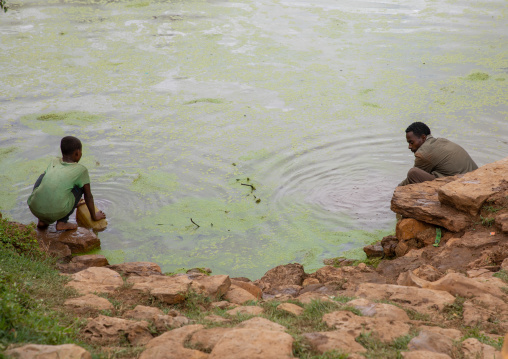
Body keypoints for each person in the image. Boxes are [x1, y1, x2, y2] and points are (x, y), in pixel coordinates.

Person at [28, 136, 106, 230]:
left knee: (44, 176)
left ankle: (42, 221)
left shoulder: (54, 161)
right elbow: (88, 196)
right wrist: (94, 216)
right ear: (77, 153)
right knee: (82, 188)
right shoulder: (81, 170)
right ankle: (62, 222)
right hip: (56, 212)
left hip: (34, 208)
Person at [399, 122, 478, 186]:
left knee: (413, 173)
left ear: (423, 138)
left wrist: (396, 189)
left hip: (462, 185)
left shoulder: (423, 153)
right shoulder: (442, 141)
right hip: (477, 179)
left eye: (411, 142)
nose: (409, 147)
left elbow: (411, 179)